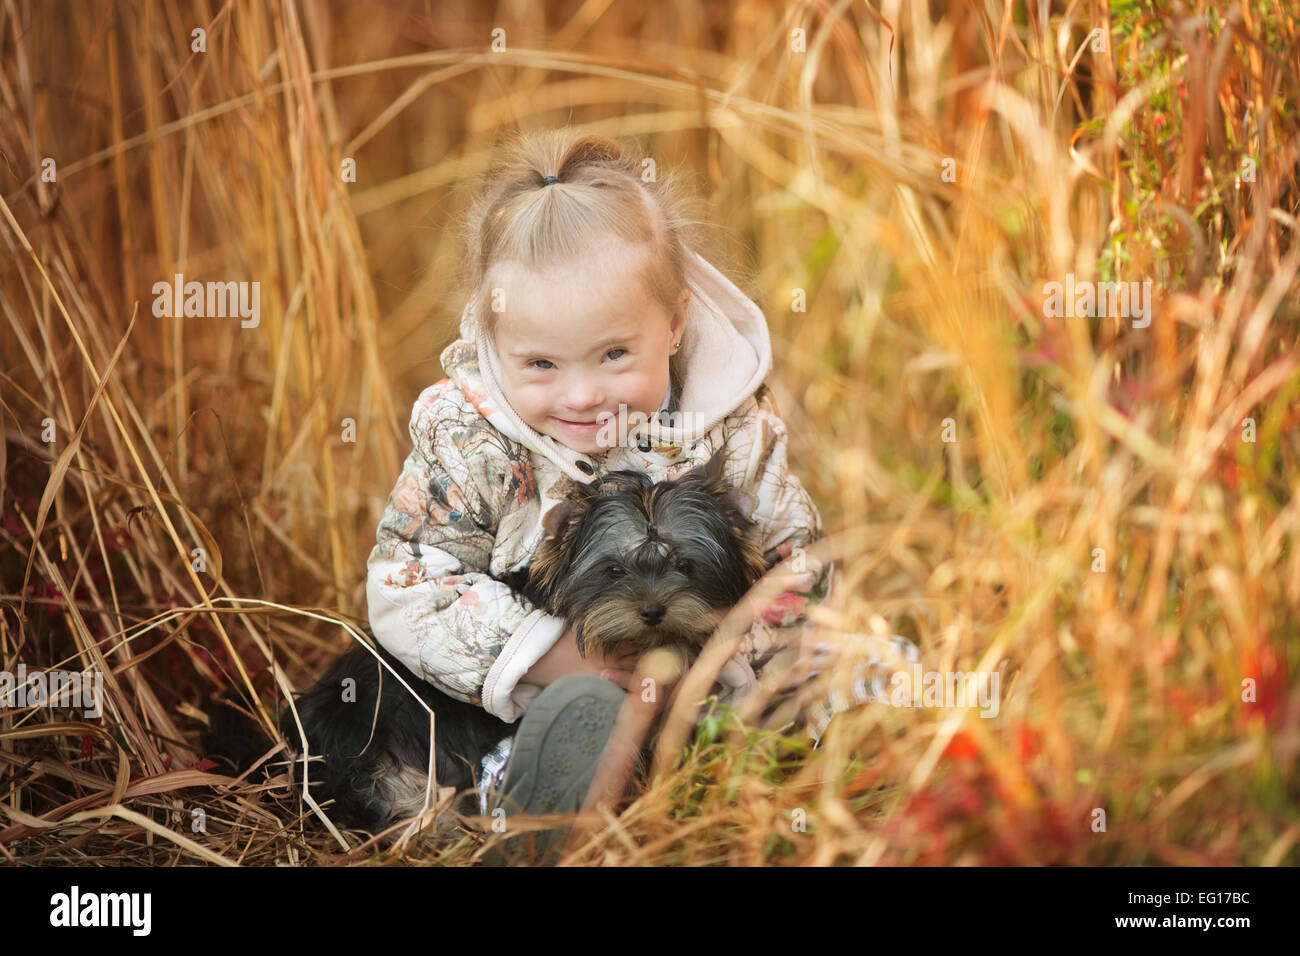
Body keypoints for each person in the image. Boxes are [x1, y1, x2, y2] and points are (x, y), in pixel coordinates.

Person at [366, 129, 837, 865]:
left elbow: (798, 570)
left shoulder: (737, 431)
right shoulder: (470, 433)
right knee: (556, 719)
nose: (583, 395)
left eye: (614, 354)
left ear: (675, 324)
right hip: (518, 697)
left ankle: (741, 768)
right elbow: (409, 579)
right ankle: (512, 804)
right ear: (495, 339)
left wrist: (720, 669)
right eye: (542, 363)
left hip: (704, 681)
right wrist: (543, 654)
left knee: (832, 682)